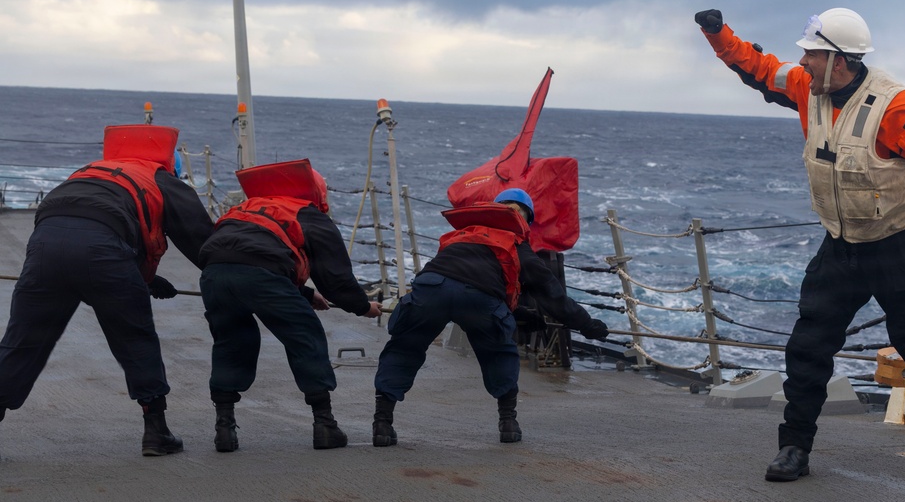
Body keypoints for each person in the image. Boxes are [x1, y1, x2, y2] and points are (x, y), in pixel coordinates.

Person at [694, 8, 905, 485]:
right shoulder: (806, 88)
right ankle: (793, 449)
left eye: (811, 54)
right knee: (808, 349)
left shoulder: (897, 108)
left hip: (896, 249)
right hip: (840, 247)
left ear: (839, 60)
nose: (803, 62)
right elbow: (757, 67)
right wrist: (716, 33)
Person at [0, 124, 215, 457]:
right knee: (135, 339)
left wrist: (143, 278)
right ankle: (156, 433)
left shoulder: (87, 173)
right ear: (171, 165)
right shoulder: (162, 180)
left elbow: (77, 227)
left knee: (22, 342)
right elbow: (207, 247)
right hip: (104, 254)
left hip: (44, 249)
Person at [371, 188, 609, 446]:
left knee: (404, 348)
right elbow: (553, 296)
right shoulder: (518, 247)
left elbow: (457, 281)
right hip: (480, 300)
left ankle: (382, 424)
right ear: (526, 220)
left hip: (431, 289)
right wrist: (588, 325)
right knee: (499, 353)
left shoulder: (463, 235)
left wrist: (519, 314)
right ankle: (508, 423)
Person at [198, 159, 381, 452]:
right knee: (305, 338)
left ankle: (225, 429)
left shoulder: (245, 209)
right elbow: (336, 280)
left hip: (215, 273)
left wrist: (307, 296)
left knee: (231, 343)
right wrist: (363, 307)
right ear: (318, 195)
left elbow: (250, 251)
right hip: (263, 277)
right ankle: (325, 426)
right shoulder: (308, 214)